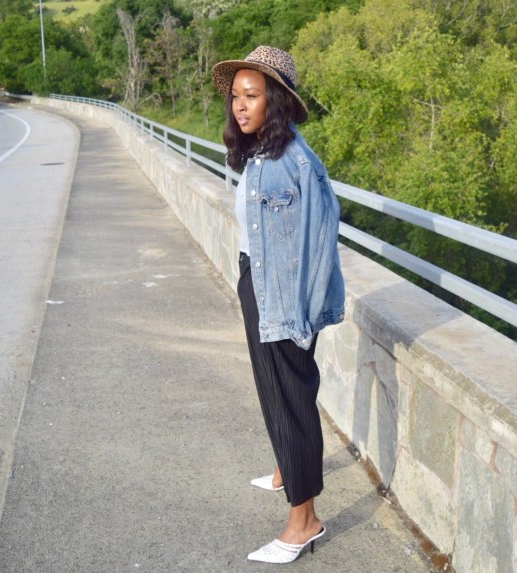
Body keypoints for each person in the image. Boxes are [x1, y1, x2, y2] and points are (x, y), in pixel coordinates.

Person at [212, 46, 345, 564]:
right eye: (236, 97)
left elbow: (319, 242)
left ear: (278, 101)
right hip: (263, 285)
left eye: (252, 96)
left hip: (285, 301)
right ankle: (289, 470)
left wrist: (303, 321)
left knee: (290, 400)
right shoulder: (266, 154)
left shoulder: (292, 164)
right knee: (276, 391)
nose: (240, 107)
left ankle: (304, 520)